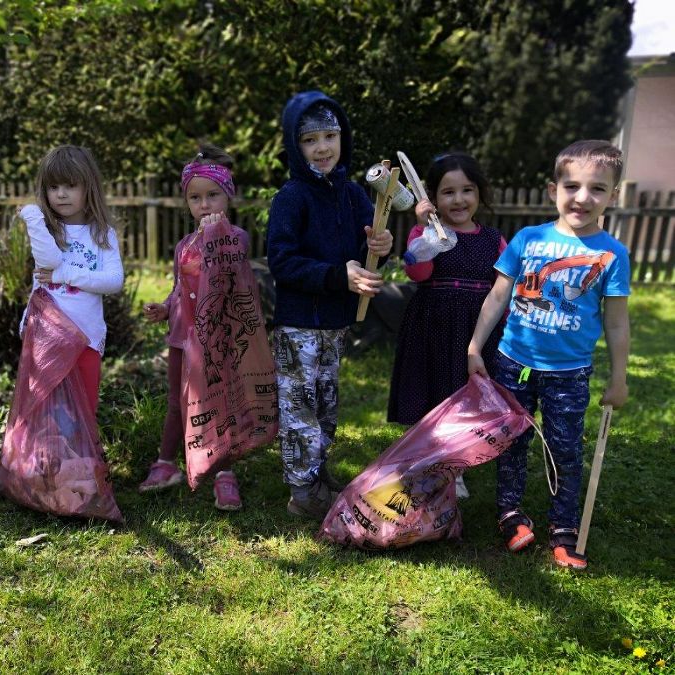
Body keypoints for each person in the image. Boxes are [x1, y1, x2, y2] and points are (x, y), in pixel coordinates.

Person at [467, 140, 630, 570]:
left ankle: (563, 529)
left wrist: (619, 377)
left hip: (570, 372)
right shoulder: (528, 239)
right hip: (513, 362)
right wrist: (474, 345)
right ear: (551, 190)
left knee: (565, 449)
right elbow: (498, 296)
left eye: (597, 188)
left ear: (613, 196)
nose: (582, 197)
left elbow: (616, 322)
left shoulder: (613, 255)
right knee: (512, 441)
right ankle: (510, 515)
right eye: (572, 185)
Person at [267, 91, 394, 519]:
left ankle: (316, 473)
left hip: (334, 324)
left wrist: (382, 245)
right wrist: (339, 275)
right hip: (299, 324)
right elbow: (283, 262)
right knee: (299, 406)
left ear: (343, 138)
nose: (322, 148)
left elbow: (366, 247)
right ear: (294, 145)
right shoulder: (292, 197)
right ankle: (302, 493)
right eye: (310, 140)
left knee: (324, 403)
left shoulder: (354, 193)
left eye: (329, 135)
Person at [139, 144, 274, 510]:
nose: (204, 204)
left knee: (220, 403)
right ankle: (166, 463)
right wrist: (165, 308)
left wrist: (215, 236)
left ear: (227, 197)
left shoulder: (236, 238)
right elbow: (180, 288)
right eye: (195, 197)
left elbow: (229, 275)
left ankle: (224, 473)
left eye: (213, 195)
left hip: (218, 341)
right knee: (175, 402)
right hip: (183, 337)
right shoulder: (184, 245)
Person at [387, 152, 507, 499]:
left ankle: (454, 467)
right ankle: (424, 457)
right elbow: (417, 272)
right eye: (448, 192)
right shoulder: (425, 234)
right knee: (431, 390)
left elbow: (504, 287)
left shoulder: (493, 239)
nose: (458, 199)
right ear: (434, 199)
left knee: (463, 398)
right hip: (433, 325)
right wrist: (426, 233)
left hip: (476, 329)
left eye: (467, 190)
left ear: (480, 194)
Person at [18, 145, 124, 421]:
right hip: (47, 337)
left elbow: (114, 281)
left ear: (88, 187)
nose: (61, 193)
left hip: (86, 337)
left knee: (82, 409)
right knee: (47, 409)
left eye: (71, 185)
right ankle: (50, 461)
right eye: (54, 186)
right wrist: (26, 320)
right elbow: (39, 282)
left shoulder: (102, 234)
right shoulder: (47, 232)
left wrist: (65, 274)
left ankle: (80, 461)